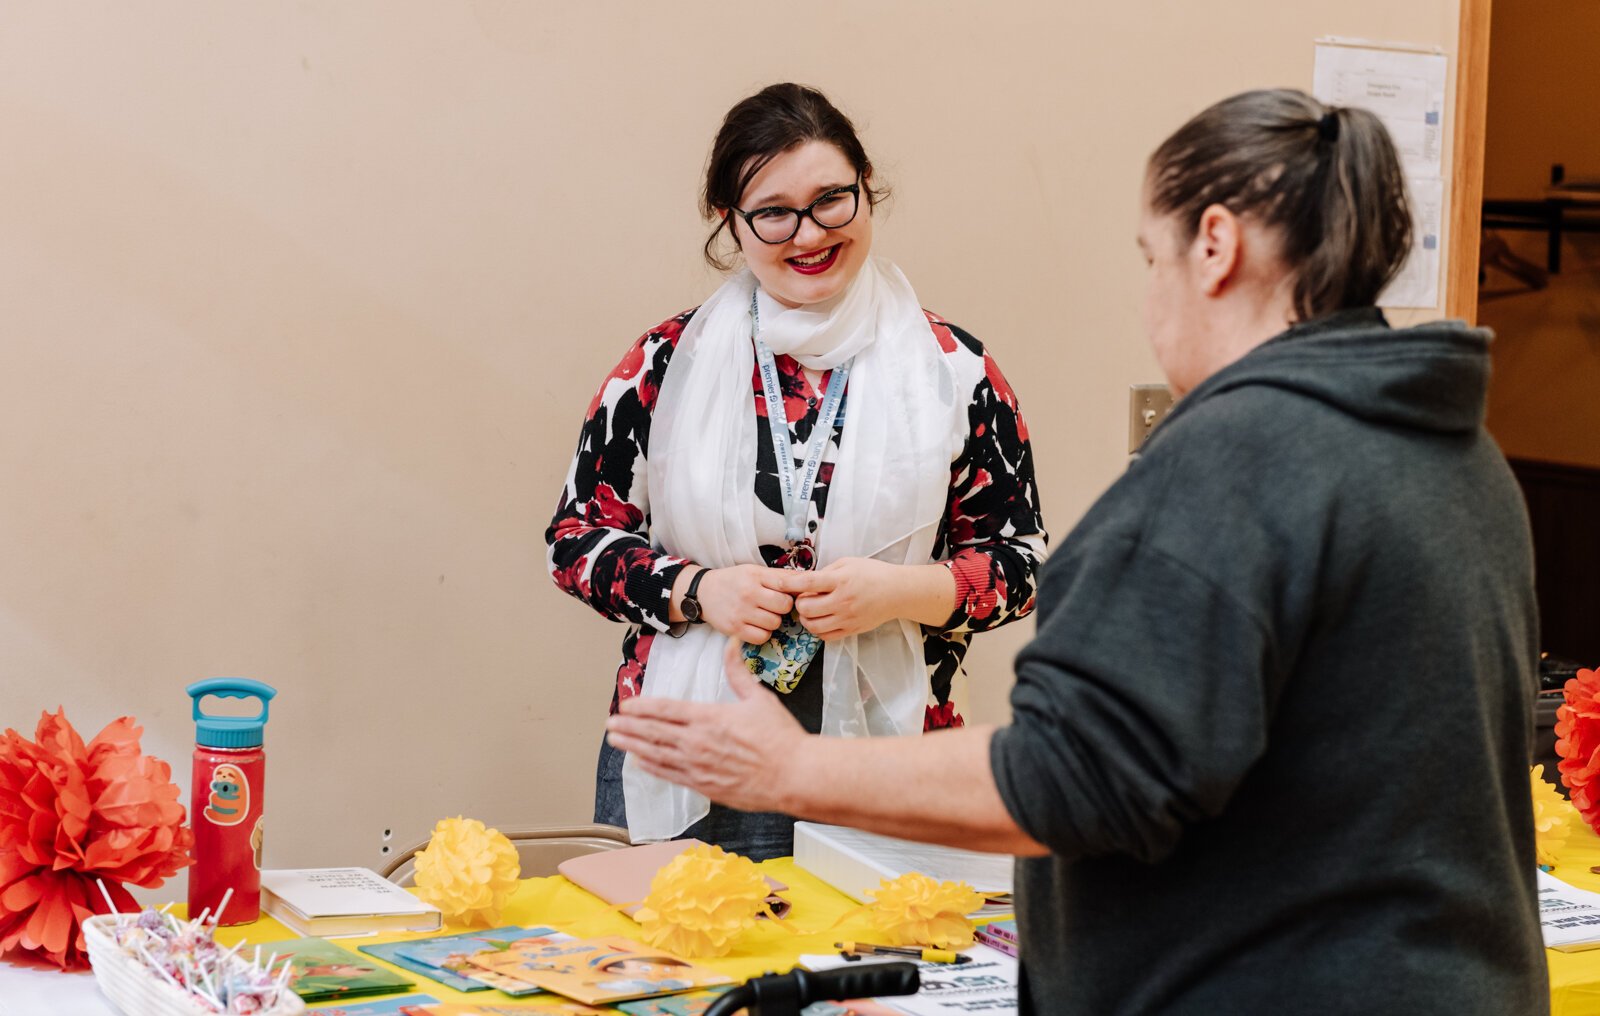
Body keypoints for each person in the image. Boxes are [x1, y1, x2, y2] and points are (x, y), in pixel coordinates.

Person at [606, 88, 1548, 1014]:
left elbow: (1073, 774)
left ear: (1214, 245)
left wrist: (792, 772)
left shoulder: (1231, 470)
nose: (1150, 295)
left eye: (1152, 258)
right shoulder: (1459, 452)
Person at [547, 83, 1046, 860]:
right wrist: (699, 589)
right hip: (694, 739)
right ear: (730, 223)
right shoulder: (664, 363)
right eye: (773, 212)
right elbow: (576, 540)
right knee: (674, 969)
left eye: (831, 201)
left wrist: (900, 593)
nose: (807, 233)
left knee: (870, 970)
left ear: (867, 191)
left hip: (892, 751)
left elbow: (1022, 561)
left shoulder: (955, 370)